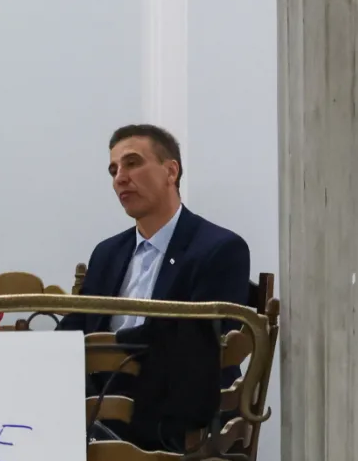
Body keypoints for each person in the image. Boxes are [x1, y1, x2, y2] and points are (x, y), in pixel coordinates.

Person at [59, 124, 251, 335]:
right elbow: (76, 325)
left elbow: (201, 343)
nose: (120, 178)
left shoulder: (220, 249)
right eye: (114, 171)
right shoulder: (107, 253)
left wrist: (111, 351)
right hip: (103, 367)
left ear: (171, 171)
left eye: (132, 163)